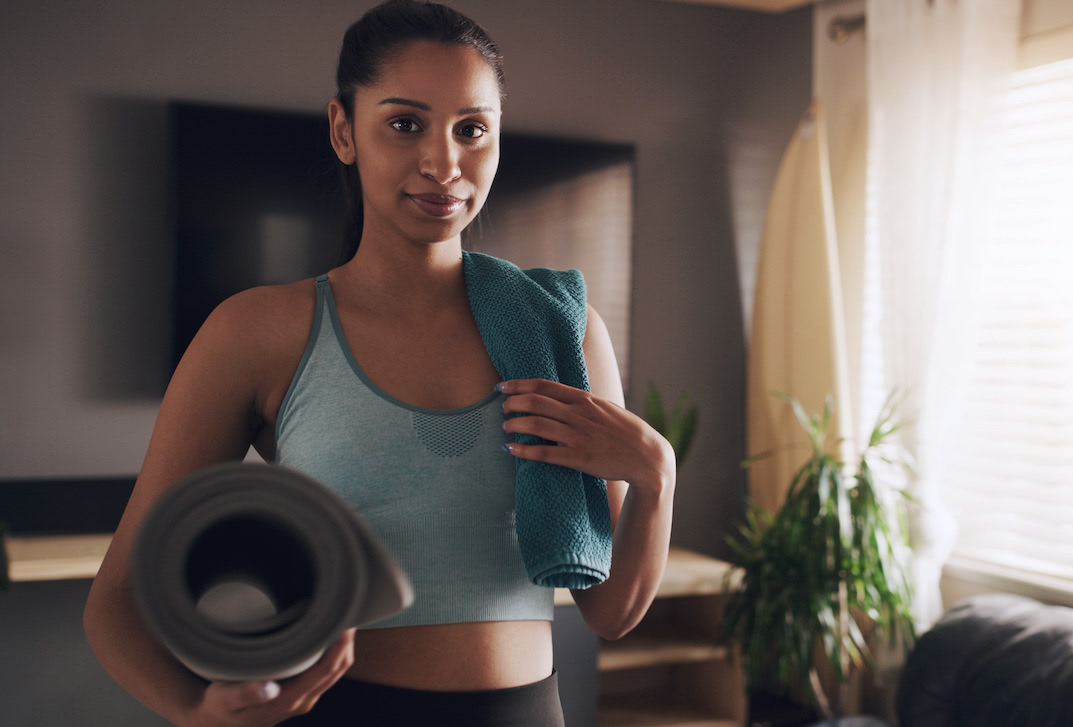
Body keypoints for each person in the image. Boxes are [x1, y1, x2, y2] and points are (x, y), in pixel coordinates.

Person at [83, 1, 676, 725]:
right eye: (405, 124)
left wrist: (655, 471)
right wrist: (193, 710)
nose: (443, 163)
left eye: (472, 129)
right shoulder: (256, 332)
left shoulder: (564, 330)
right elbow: (115, 602)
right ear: (344, 129)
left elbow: (611, 611)